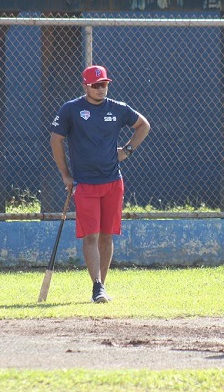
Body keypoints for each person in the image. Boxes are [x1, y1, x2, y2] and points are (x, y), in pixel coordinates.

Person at [50, 65, 150, 303]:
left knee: (107, 236)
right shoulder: (71, 109)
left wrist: (127, 150)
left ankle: (101, 285)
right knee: (91, 236)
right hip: (85, 183)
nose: (100, 89)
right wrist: (65, 174)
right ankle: (96, 285)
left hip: (113, 182)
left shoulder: (117, 108)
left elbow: (143, 125)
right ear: (85, 86)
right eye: (95, 85)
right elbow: (56, 139)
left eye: (104, 84)